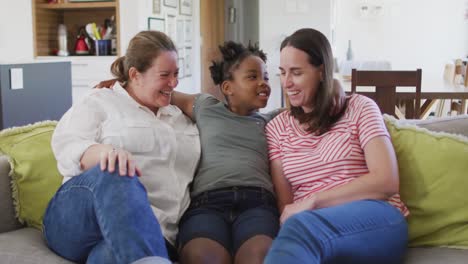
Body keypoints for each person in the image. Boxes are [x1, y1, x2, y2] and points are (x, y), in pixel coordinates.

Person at [43, 31, 200, 264]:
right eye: (165, 75)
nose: (174, 83)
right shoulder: (100, 101)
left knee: (106, 257)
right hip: (78, 218)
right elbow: (67, 146)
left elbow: (219, 108)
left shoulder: (181, 117)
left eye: (176, 74)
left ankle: (148, 257)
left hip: (152, 234)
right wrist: (105, 153)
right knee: (116, 169)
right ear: (135, 75)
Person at [263, 28, 409, 264]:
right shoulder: (277, 128)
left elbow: (386, 180)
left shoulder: (360, 107)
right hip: (316, 231)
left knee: (301, 227)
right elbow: (287, 207)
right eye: (282, 73)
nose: (287, 83)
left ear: (321, 72)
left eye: (297, 73)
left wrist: (314, 201)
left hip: (376, 217)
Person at [172, 41, 280, 264]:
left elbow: (314, 103)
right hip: (208, 203)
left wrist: (337, 87)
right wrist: (121, 83)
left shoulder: (272, 120)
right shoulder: (205, 106)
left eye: (266, 77)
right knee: (201, 257)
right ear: (227, 88)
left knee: (260, 257)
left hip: (257, 202)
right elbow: (162, 91)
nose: (264, 83)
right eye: (252, 77)